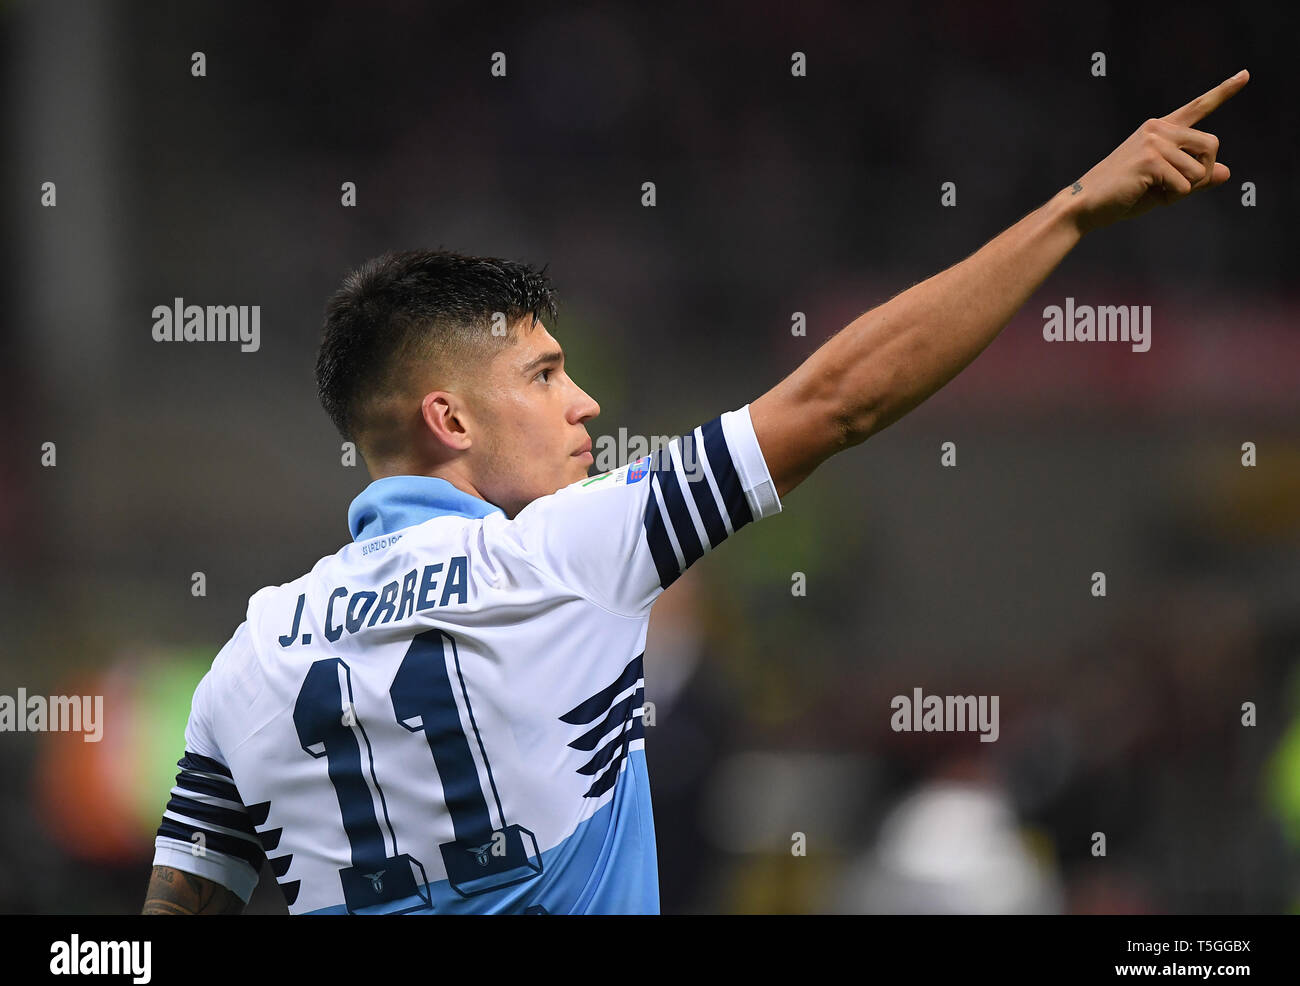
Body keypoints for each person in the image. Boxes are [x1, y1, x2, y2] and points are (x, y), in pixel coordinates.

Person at [142, 71, 1248, 914]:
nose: (582, 405)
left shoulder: (248, 658)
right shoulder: (571, 551)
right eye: (543, 375)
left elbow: (167, 917)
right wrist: (1066, 214)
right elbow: (843, 397)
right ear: (450, 417)